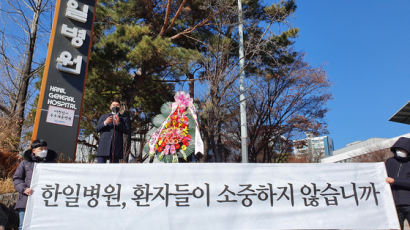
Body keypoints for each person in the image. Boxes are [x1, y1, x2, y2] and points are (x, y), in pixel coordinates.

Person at [13, 139, 57, 230]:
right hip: (26, 200)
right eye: (41, 149)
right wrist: (24, 189)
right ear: (33, 150)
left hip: (45, 200)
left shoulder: (53, 164)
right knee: (23, 226)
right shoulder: (25, 163)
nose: (44, 151)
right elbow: (17, 179)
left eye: (45, 148)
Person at [385, 136, 410, 230]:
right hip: (393, 204)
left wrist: (395, 181)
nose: (400, 151)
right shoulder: (390, 162)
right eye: (398, 149)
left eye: (402, 149)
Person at [96, 99, 130, 163]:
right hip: (103, 146)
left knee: (114, 169)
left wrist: (118, 124)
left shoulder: (124, 118)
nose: (115, 106)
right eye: (114, 105)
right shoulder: (104, 117)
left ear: (120, 107)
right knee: (99, 168)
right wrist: (105, 122)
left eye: (117, 105)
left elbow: (127, 131)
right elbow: (97, 129)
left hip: (116, 147)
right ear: (110, 107)